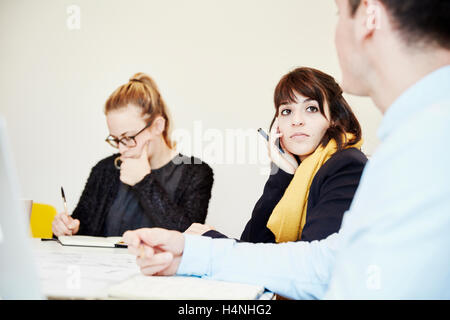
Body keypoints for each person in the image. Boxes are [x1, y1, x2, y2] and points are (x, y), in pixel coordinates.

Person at [123, 0, 450, 299]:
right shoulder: (410, 140)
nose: (296, 122)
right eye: (286, 111)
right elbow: (324, 264)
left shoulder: (369, 159)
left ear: (368, 15)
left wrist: (202, 247)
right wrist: (191, 252)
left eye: (338, 13)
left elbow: (324, 269)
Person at [186, 67, 367, 244]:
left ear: (334, 117)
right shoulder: (297, 172)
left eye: (311, 108)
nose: (296, 121)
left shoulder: (347, 165)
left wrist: (214, 242)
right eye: (286, 111)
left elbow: (310, 260)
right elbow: (253, 243)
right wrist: (283, 173)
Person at [52, 73, 214, 237]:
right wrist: (68, 229)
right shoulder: (105, 170)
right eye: (115, 139)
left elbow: (189, 239)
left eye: (128, 138)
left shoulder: (196, 173)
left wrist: (144, 182)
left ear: (158, 126)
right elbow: (82, 232)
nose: (121, 149)